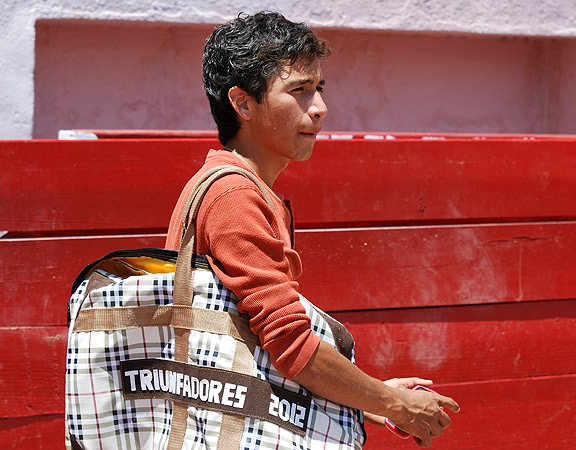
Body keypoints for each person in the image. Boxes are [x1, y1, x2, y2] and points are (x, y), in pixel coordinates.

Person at [166, 11, 459, 448]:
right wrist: (395, 403)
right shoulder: (234, 195)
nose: (320, 107)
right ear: (243, 104)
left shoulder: (239, 186)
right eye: (299, 91)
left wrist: (373, 401)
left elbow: (259, 353)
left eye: (319, 88)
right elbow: (290, 345)